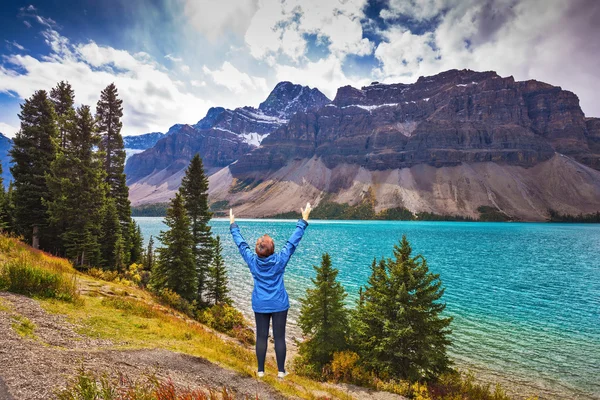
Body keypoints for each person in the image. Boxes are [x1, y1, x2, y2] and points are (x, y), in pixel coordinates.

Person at [229, 203, 312, 379]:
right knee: (280, 338)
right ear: (272, 249)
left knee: (261, 337)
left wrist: (233, 225)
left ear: (258, 250)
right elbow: (292, 243)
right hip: (280, 304)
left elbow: (241, 244)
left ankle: (261, 371)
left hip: (260, 304)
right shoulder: (280, 260)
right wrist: (303, 221)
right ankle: (281, 372)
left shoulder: (252, 260)